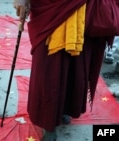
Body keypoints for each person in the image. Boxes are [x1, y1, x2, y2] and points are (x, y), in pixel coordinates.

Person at [13, 0, 112, 140]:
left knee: (74, 67)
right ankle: (47, 121)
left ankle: (65, 108)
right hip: (49, 10)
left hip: (82, 11)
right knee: (49, 70)